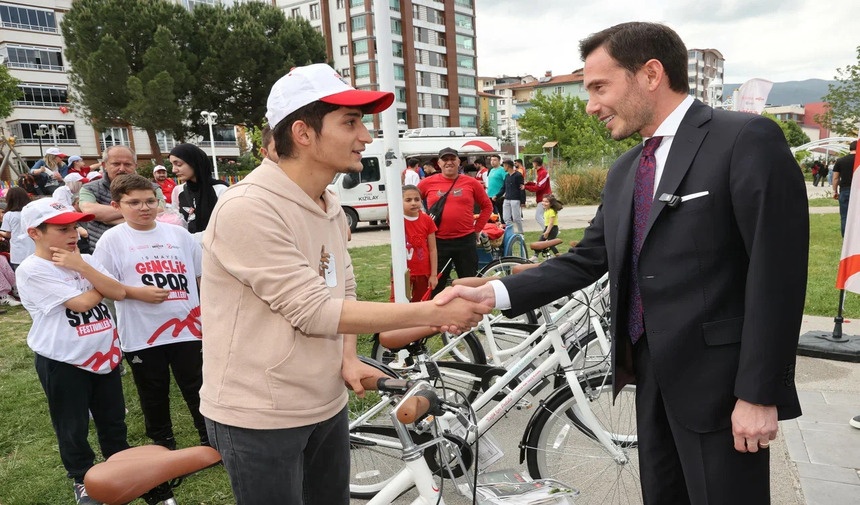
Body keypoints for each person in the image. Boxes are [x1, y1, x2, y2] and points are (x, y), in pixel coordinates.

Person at [438, 22, 808, 505]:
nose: (591, 104)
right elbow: (588, 259)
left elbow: (776, 274)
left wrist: (759, 393)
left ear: (650, 74)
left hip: (721, 387)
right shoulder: (626, 169)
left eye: (599, 87)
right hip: (647, 378)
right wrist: (494, 293)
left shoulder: (744, 139)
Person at [198, 63, 489, 504]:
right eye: (350, 122)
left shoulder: (328, 203)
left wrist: (349, 356)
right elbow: (314, 310)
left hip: (325, 400)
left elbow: (342, 288)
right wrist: (433, 311)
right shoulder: (248, 207)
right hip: (261, 412)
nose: (366, 137)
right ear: (303, 132)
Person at [16, 198, 129, 505]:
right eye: (62, 228)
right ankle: (82, 478)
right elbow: (81, 304)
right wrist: (97, 281)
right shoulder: (31, 269)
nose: (74, 233)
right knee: (72, 424)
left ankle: (121, 468)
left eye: (75, 226)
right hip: (64, 359)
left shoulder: (84, 259)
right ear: (35, 233)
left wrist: (82, 266)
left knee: (113, 419)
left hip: (103, 354)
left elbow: (118, 292)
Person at [93, 173, 208, 450]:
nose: (144, 208)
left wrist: (208, 313)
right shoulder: (111, 240)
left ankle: (209, 438)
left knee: (198, 387)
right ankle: (163, 443)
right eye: (134, 202)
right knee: (153, 391)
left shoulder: (180, 236)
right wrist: (136, 293)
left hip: (188, 329)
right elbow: (102, 285)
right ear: (116, 205)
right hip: (143, 334)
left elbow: (201, 276)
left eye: (150, 201)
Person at [419, 147, 493, 296]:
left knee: (469, 284)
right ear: (438, 163)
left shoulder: (471, 183)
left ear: (459, 161)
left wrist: (477, 229)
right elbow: (408, 199)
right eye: (445, 160)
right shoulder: (427, 183)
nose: (449, 162)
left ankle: (468, 316)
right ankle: (437, 316)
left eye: (452, 159)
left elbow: (487, 206)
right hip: (438, 243)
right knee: (436, 285)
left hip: (465, 241)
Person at [79, 145, 166, 249]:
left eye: (127, 164)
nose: (122, 168)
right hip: (102, 250)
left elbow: (160, 211)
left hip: (146, 249)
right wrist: (138, 217)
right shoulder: (90, 188)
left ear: (135, 165)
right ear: (104, 165)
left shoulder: (153, 188)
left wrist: (106, 218)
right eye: (116, 164)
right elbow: (90, 211)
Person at [169, 143, 229, 242]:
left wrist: (192, 239)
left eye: (178, 164)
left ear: (194, 162)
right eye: (172, 164)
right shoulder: (178, 191)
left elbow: (226, 226)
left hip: (217, 250)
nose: (174, 170)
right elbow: (178, 221)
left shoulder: (221, 190)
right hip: (189, 252)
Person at [391, 184, 438, 302]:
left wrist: (433, 275)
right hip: (401, 270)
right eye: (408, 200)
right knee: (398, 301)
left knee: (421, 303)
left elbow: (433, 249)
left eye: (417, 199)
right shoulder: (396, 218)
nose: (413, 203)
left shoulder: (427, 220)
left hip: (423, 271)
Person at [0, 187, 34, 271]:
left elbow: (9, 234)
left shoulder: (9, 215)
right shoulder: (31, 212)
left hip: (18, 252)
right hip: (34, 249)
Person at [833, 141, 856, 237]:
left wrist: (835, 191)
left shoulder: (840, 161)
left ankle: (846, 238)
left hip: (845, 190)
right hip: (857, 190)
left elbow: (835, 178)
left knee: (845, 216)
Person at [499, 159, 525, 234]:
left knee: (516, 218)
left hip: (515, 199)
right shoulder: (507, 176)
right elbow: (503, 188)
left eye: (504, 166)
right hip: (507, 198)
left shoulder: (518, 175)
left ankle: (520, 232)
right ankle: (511, 233)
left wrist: (522, 201)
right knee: (506, 217)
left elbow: (521, 188)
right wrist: (497, 195)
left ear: (507, 166)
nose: (503, 167)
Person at [524, 156, 551, 227]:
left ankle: (548, 231)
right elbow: (537, 184)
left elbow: (539, 187)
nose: (532, 165)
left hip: (544, 197)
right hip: (542, 197)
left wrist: (525, 187)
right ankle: (551, 231)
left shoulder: (543, 172)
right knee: (545, 216)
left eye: (533, 163)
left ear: (536, 163)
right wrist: (528, 184)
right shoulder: (540, 172)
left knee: (538, 216)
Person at [485, 154, 506, 218]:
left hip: (499, 195)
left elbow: (506, 182)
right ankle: (496, 225)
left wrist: (504, 193)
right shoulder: (491, 170)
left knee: (501, 212)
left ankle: (504, 224)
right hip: (490, 195)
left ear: (499, 161)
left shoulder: (502, 170)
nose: (492, 162)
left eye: (494, 160)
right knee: (492, 213)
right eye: (491, 160)